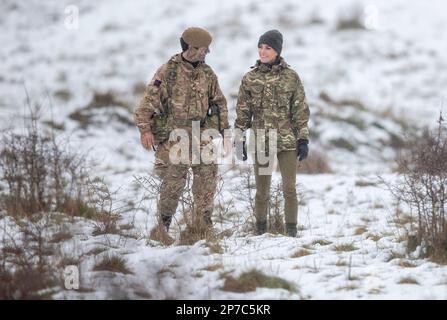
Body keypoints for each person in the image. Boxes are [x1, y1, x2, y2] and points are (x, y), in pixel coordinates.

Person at [134, 27, 230, 240]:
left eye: (207, 50)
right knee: (173, 184)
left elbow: (219, 103)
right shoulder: (168, 71)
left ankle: (203, 227)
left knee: (207, 181)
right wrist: (145, 130)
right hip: (174, 136)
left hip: (202, 136)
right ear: (189, 47)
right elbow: (148, 102)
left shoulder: (208, 73)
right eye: (202, 49)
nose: (206, 53)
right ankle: (162, 228)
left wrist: (226, 132)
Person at [234, 29, 310, 237]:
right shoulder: (249, 79)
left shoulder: (291, 77)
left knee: (289, 189)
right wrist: (239, 137)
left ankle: (291, 234)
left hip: (287, 141)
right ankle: (260, 232)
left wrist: (303, 138)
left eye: (267, 48)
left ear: (276, 51)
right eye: (260, 47)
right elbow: (242, 111)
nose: (262, 51)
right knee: (261, 192)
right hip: (261, 142)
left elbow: (300, 111)